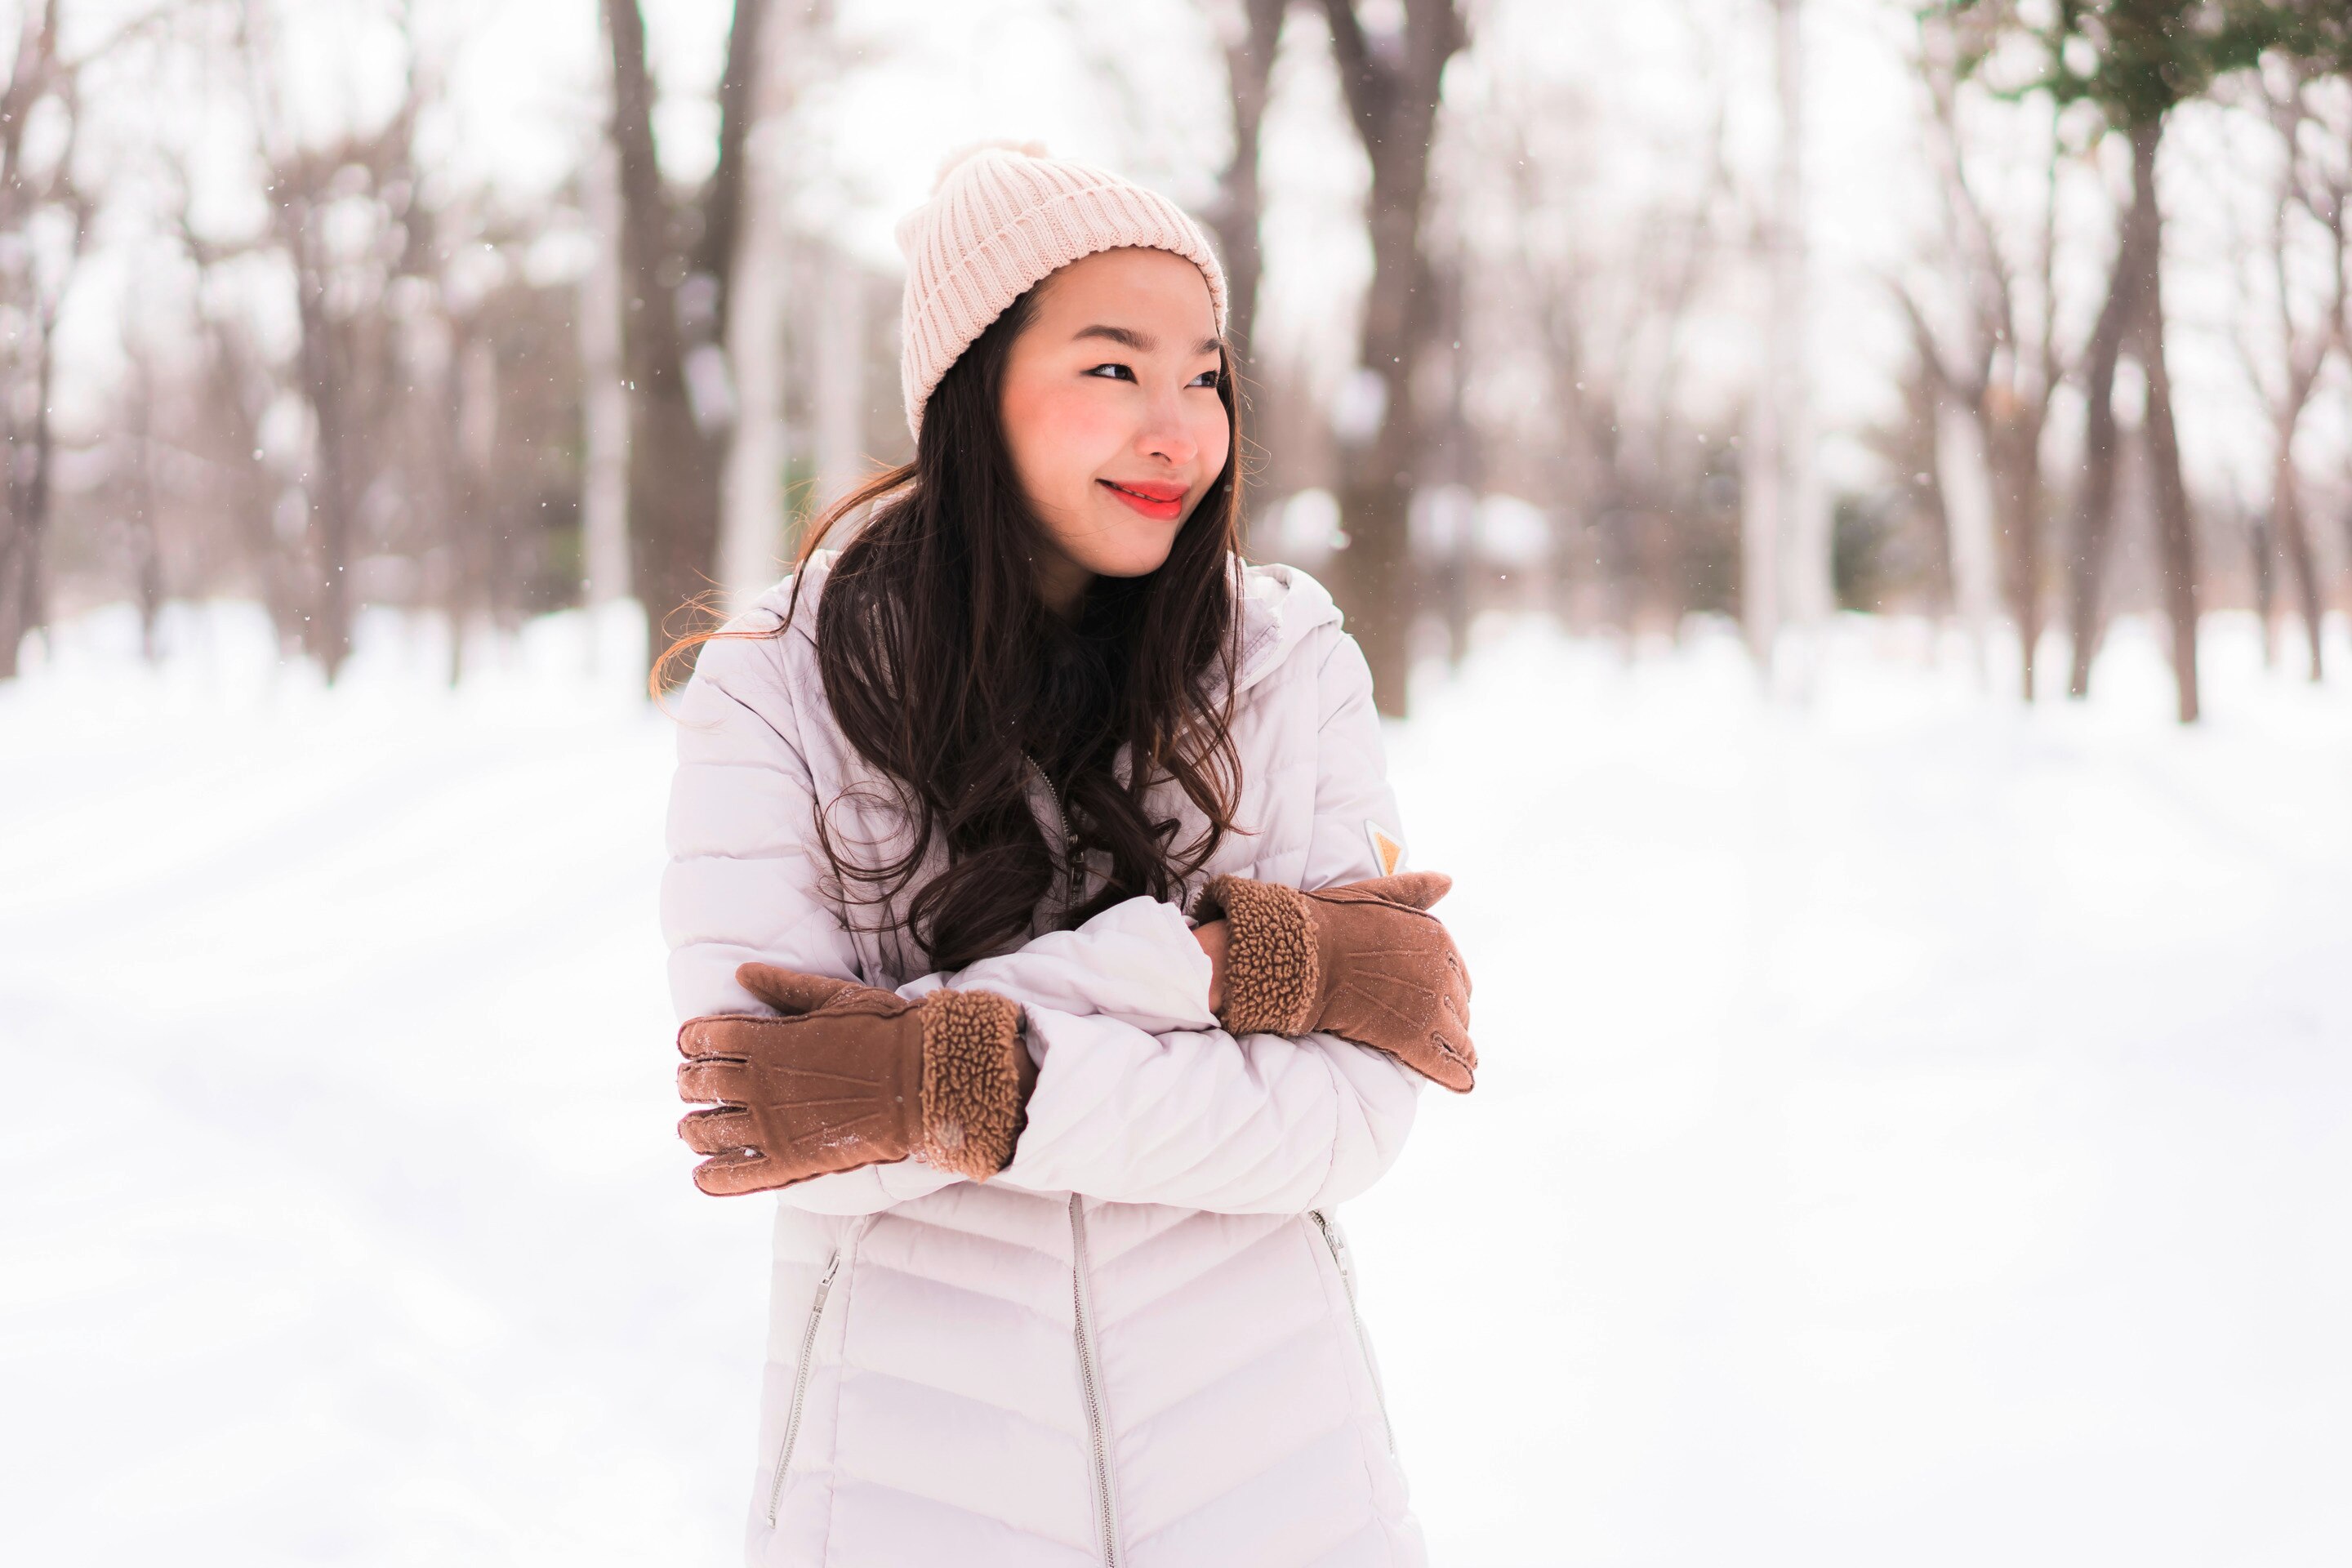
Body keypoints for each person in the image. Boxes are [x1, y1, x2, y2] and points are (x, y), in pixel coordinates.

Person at [660, 144, 1477, 1568]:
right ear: (974, 389)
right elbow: (774, 1124)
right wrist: (1234, 971)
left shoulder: (1284, 661)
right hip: (907, 1495)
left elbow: (1348, 1121)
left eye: (1206, 374)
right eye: (1114, 370)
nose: (1181, 430)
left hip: (1275, 1486)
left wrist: (945, 1087)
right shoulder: (773, 690)